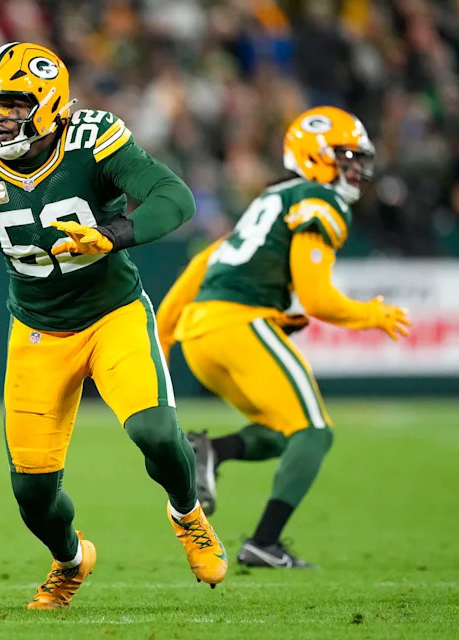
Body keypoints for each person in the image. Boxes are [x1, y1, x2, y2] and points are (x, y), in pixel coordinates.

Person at [0, 42, 227, 609]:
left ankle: (187, 514)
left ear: (48, 101)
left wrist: (114, 234)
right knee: (33, 492)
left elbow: (172, 196)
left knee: (155, 432)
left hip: (113, 315)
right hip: (38, 331)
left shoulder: (92, 139)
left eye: (11, 106)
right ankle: (71, 560)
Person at [157, 107, 411, 569]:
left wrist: (165, 335)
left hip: (202, 335)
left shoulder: (271, 198)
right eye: (346, 156)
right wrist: (371, 313)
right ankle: (265, 543)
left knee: (282, 433)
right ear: (315, 155)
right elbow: (318, 300)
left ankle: (212, 452)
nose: (356, 167)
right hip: (237, 324)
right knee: (314, 431)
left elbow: (204, 264)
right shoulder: (317, 200)